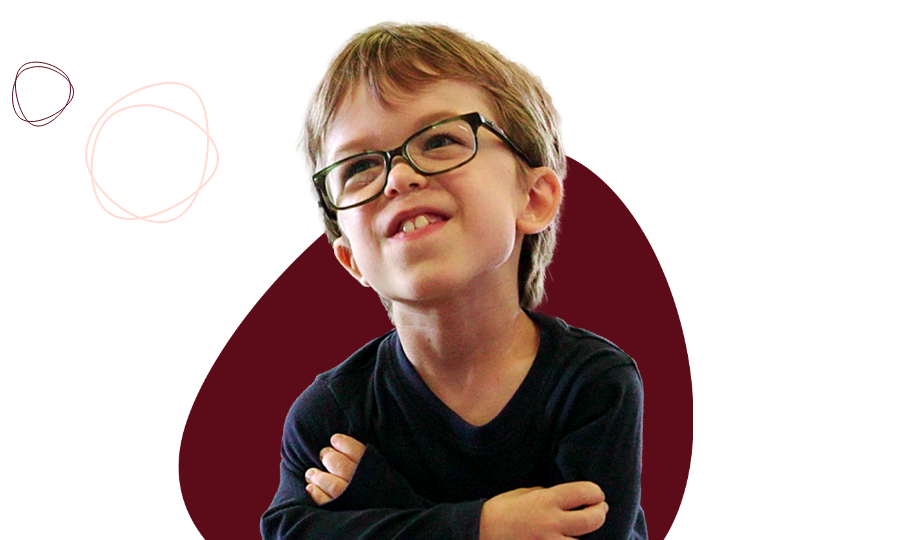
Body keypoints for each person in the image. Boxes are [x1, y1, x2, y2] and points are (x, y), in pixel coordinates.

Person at [261, 18, 647, 540]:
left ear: (533, 199)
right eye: (358, 168)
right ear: (350, 258)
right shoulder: (327, 415)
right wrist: (482, 526)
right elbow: (288, 533)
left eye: (440, 139)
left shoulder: (595, 385)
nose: (398, 177)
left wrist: (380, 502)